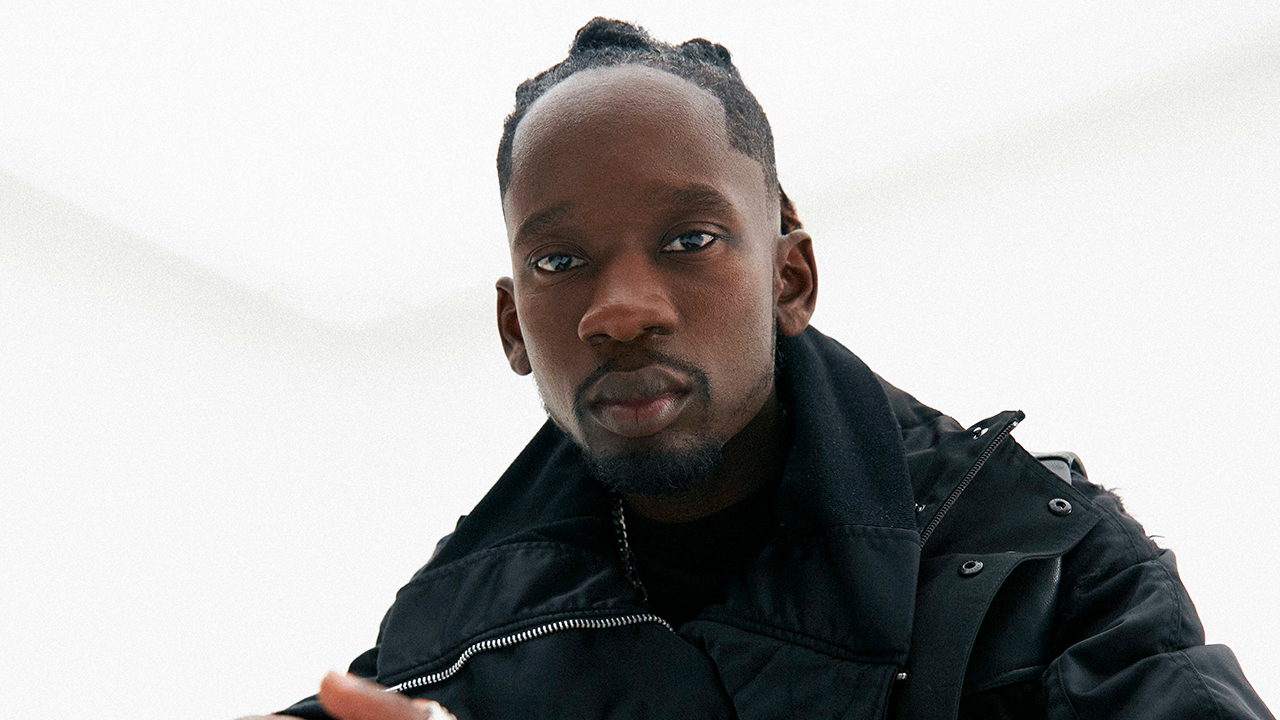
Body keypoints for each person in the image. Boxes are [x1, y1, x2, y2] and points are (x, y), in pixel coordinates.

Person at [254, 17, 1273, 720]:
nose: (621, 311)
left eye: (689, 240)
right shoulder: (437, 655)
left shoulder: (1051, 572)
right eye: (559, 262)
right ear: (513, 326)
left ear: (790, 278)